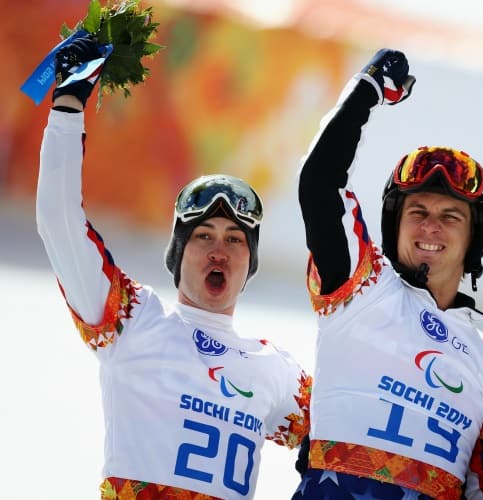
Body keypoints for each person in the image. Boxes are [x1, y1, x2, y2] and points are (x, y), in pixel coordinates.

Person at [36, 34, 311, 499]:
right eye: (203, 236)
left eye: (235, 240)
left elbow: (352, 433)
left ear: (250, 263)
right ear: (178, 253)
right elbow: (58, 222)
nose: (219, 251)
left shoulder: (275, 371)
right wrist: (67, 106)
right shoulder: (131, 320)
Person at [293, 48, 483, 499]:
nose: (430, 227)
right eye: (417, 212)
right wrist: (367, 90)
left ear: (474, 239)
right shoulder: (361, 288)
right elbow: (320, 182)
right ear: (394, 227)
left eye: (450, 217)